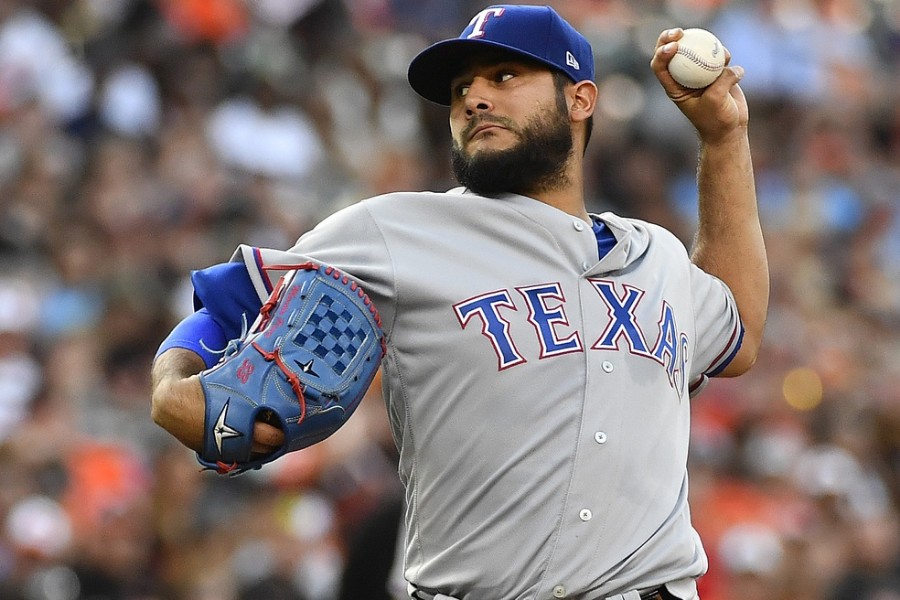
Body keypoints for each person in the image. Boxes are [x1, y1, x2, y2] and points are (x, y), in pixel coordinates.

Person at [150, 5, 769, 599]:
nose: (475, 97)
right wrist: (173, 386)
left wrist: (723, 138)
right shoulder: (394, 231)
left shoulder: (655, 256)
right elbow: (225, 307)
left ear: (580, 99)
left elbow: (736, 330)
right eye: (460, 89)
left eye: (505, 76)